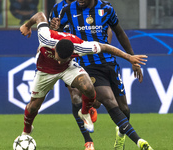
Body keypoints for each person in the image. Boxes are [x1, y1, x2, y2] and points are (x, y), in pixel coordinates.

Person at [19, 11, 149, 149]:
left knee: (88, 87)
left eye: (61, 58)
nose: (58, 61)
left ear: (73, 54)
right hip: (44, 71)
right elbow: (40, 15)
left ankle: (85, 112)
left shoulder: (79, 46)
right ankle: (26, 130)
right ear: (54, 48)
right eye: (57, 56)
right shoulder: (45, 38)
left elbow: (105, 47)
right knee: (33, 106)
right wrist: (27, 25)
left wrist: (129, 57)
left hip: (67, 68)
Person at [50, 0, 154, 150]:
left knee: (123, 108)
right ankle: (139, 142)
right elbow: (58, 35)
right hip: (87, 65)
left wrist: (133, 59)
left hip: (109, 63)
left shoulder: (106, 9)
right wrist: (55, 28)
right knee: (108, 99)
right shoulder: (67, 10)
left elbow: (119, 32)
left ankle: (121, 133)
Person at [49, 1, 110, 149]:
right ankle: (88, 141)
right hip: (70, 57)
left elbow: (108, 29)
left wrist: (104, 49)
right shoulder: (58, 8)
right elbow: (50, 32)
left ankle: (90, 107)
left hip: (91, 55)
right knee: (75, 95)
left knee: (96, 100)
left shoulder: (96, 5)